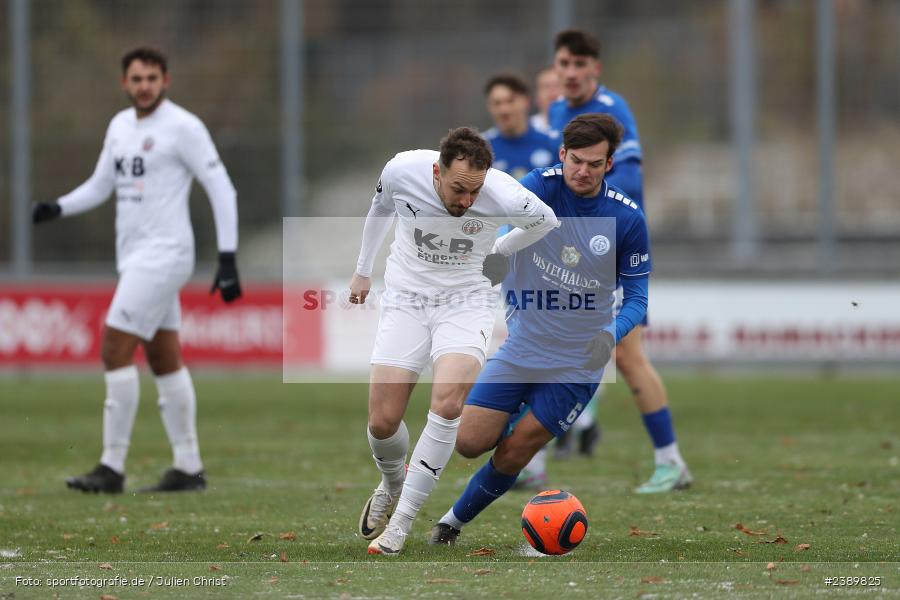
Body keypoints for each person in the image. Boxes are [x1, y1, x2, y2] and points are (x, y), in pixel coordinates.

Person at [428, 114, 651, 545]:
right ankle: (516, 412)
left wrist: (609, 335)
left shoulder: (627, 219)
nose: (583, 171)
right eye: (576, 161)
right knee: (469, 441)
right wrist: (497, 260)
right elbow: (505, 234)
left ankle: (450, 524)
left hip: (578, 362)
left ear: (609, 164)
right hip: (524, 346)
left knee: (515, 450)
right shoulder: (538, 187)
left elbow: (638, 298)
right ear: (562, 154)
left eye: (595, 164)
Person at [31, 47, 241, 494]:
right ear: (124, 83)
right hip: (134, 256)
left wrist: (227, 256)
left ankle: (111, 466)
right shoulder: (119, 127)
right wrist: (58, 207)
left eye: (151, 78)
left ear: (166, 80)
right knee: (164, 357)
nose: (144, 86)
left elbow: (220, 186)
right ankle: (188, 467)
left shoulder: (184, 127)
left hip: (165, 254)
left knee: (114, 347)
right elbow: (101, 184)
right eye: (136, 78)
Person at [350, 127, 559, 556]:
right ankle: (392, 484)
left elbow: (545, 221)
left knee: (447, 404)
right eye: (458, 189)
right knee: (382, 422)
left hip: (467, 301)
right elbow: (380, 207)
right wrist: (363, 270)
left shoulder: (503, 192)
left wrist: (502, 248)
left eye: (474, 191)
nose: (466, 201)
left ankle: (401, 523)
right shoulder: (401, 170)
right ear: (437, 172)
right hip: (407, 298)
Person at [546, 29, 691, 493]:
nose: (570, 72)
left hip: (611, 250)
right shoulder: (556, 111)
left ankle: (670, 462)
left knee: (628, 356)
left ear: (595, 68)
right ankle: (536, 455)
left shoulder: (613, 109)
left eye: (579, 64)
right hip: (573, 252)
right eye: (564, 63)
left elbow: (626, 185)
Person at [482, 73, 559, 180]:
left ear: (526, 101)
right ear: (489, 107)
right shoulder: (481, 148)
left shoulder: (551, 142)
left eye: (510, 101)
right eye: (497, 103)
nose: (504, 110)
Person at [529, 65, 562, 135]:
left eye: (558, 85)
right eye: (546, 86)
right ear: (537, 97)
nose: (552, 91)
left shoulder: (579, 125)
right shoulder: (527, 128)